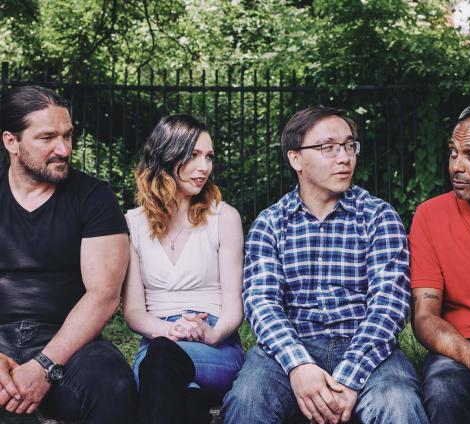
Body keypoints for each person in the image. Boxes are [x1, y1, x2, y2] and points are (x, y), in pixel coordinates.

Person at [222, 106, 428, 424]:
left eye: (349, 145)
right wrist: (298, 365)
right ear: (295, 159)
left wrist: (350, 375)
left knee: (398, 405)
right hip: (292, 344)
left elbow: (389, 306)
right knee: (247, 401)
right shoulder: (271, 223)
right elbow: (261, 304)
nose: (344, 157)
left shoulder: (378, 216)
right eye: (327, 148)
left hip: (367, 346)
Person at [0, 85, 137, 423]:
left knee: (113, 383)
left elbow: (104, 296)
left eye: (67, 136)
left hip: (69, 342)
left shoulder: (94, 198)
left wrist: (44, 365)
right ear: (11, 142)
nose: (63, 149)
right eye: (47, 138)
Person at [122, 114, 244, 424]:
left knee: (162, 364)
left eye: (209, 156)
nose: (205, 166)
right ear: (166, 155)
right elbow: (134, 312)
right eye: (193, 155)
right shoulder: (132, 224)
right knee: (175, 381)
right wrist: (170, 330)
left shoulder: (224, 218)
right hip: (157, 341)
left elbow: (234, 307)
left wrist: (211, 334)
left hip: (215, 351)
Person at [410, 105, 470, 424]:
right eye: (453, 152)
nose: (456, 166)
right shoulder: (431, 216)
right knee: (444, 389)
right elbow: (424, 316)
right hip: (461, 344)